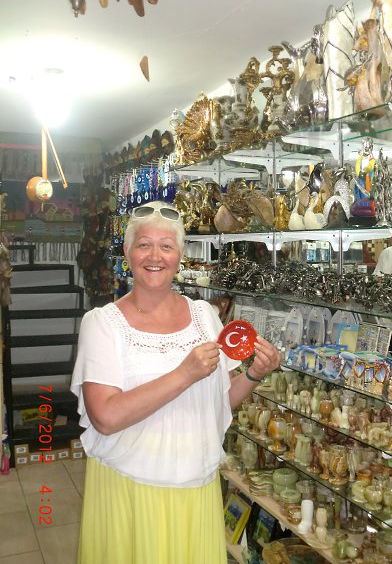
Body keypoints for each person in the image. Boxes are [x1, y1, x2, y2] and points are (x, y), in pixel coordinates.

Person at [71, 201, 281, 564]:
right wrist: (184, 374)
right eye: (144, 245)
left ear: (180, 255)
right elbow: (105, 416)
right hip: (131, 489)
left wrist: (254, 374)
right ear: (128, 253)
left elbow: (220, 400)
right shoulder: (102, 324)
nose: (155, 256)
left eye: (166, 246)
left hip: (195, 485)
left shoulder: (204, 316)